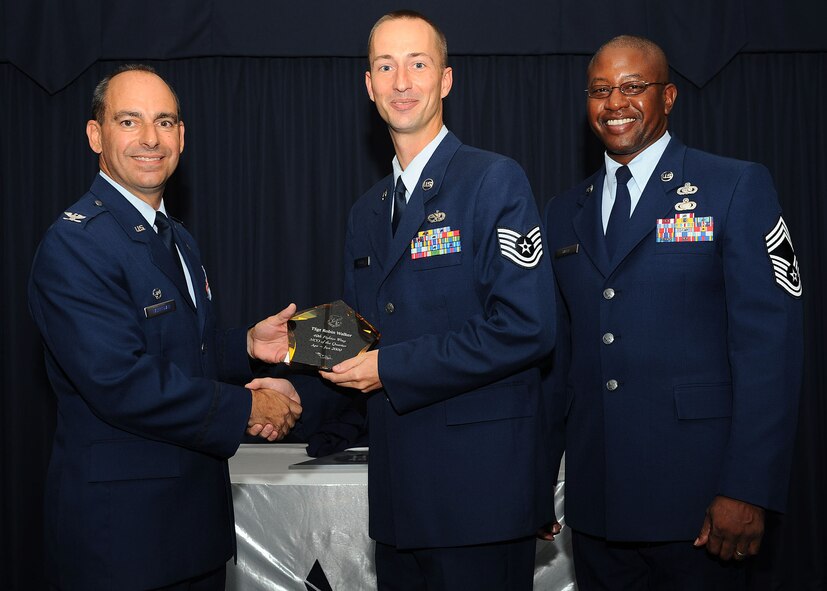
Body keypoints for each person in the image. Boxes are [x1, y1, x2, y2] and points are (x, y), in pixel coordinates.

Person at [541, 35, 803, 590]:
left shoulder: (733, 186)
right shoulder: (563, 211)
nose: (615, 103)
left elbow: (769, 351)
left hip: (702, 506)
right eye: (600, 90)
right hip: (598, 505)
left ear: (668, 96)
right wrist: (538, 480)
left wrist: (748, 488)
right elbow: (557, 365)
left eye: (633, 86)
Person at [28, 64, 302, 591]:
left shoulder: (176, 237)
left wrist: (245, 346)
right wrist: (248, 409)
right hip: (122, 541)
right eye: (129, 121)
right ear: (96, 136)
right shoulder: (75, 245)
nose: (150, 138)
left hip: (192, 531)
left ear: (182, 137)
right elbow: (120, 381)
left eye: (165, 121)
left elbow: (182, 351)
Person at [319, 11, 557, 591]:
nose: (401, 81)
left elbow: (526, 327)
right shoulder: (366, 211)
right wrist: (293, 379)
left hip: (480, 497)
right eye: (385, 66)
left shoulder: (493, 180)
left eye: (418, 64)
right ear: (368, 85)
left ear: (445, 80)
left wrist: (388, 368)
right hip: (398, 502)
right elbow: (364, 341)